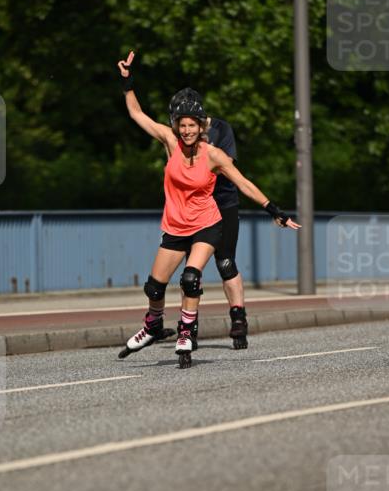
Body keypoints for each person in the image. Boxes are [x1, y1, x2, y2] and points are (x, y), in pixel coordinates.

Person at [116, 51, 299, 368]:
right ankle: (154, 325)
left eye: (192, 125)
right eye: (181, 125)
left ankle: (186, 334)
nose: (186, 131)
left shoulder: (213, 155)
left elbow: (243, 183)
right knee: (153, 287)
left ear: (201, 126)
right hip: (175, 225)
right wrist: (127, 82)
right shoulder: (169, 142)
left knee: (190, 278)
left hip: (205, 223)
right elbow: (136, 114)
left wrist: (275, 210)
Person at [168, 88, 249, 349]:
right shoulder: (179, 134)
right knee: (190, 274)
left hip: (223, 204)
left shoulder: (221, 130)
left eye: (189, 120)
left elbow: (227, 165)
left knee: (225, 262)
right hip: (191, 210)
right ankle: (189, 327)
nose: (183, 126)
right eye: (179, 120)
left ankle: (238, 319)